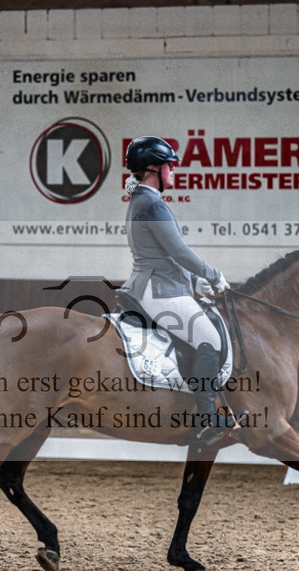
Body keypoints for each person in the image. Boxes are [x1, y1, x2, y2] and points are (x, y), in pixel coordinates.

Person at [119, 136, 237, 447]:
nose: (174, 171)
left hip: (160, 284)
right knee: (209, 340)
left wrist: (193, 283)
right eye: (171, 166)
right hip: (159, 290)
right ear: (154, 168)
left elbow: (166, 254)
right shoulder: (152, 203)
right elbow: (179, 250)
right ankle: (207, 417)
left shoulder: (143, 201)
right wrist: (213, 275)